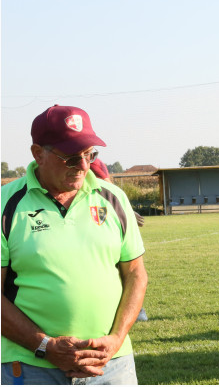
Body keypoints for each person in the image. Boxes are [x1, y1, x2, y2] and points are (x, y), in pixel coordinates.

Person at [1, 105, 147, 385]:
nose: (83, 166)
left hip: (112, 365)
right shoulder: (5, 204)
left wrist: (115, 341)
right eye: (70, 158)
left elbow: (136, 274)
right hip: (31, 367)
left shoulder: (113, 198)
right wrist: (45, 347)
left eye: (88, 155)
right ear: (37, 154)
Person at [89, 158, 148, 322]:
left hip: (100, 215)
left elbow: (108, 187)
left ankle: (136, 309)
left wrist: (124, 210)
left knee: (125, 264)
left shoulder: (95, 164)